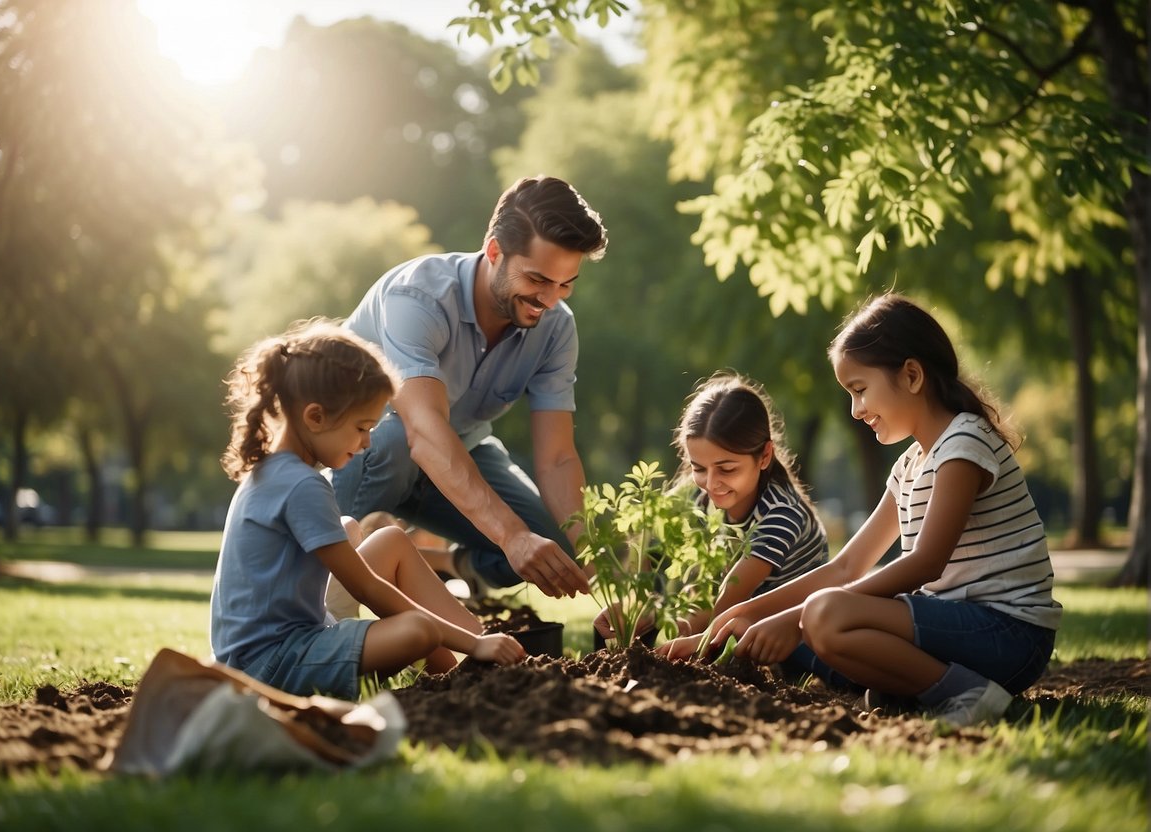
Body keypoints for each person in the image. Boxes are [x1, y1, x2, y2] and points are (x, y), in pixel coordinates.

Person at [659, 294, 1062, 728]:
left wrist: (793, 621)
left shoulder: (964, 444)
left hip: (1010, 636)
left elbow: (926, 563)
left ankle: (970, 695)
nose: (856, 410)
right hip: (960, 628)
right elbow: (848, 565)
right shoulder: (911, 463)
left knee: (823, 616)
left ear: (911, 375)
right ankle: (925, 688)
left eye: (860, 389)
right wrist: (738, 617)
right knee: (825, 617)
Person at [210, 318, 524, 701]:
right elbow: (368, 588)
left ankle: (464, 674)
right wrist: (472, 643)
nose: (367, 443)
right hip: (272, 665)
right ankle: (467, 667)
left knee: (387, 539)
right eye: (362, 427)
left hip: (285, 638)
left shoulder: (279, 471)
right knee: (418, 631)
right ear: (315, 417)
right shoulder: (301, 485)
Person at [331, 175, 609, 600]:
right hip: (365, 450)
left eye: (565, 283)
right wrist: (510, 534)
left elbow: (556, 459)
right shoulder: (417, 297)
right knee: (393, 440)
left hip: (461, 450)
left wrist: (594, 559)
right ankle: (324, 598)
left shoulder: (555, 329)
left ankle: (447, 566)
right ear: (495, 250)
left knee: (552, 547)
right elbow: (422, 432)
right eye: (537, 279)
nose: (550, 299)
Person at [594, 372, 829, 645]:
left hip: (797, 631)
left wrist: (672, 625)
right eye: (698, 468)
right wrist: (642, 604)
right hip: (739, 622)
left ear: (765, 456)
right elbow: (649, 544)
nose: (712, 483)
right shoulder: (696, 496)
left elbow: (728, 600)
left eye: (727, 469)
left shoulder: (781, 514)